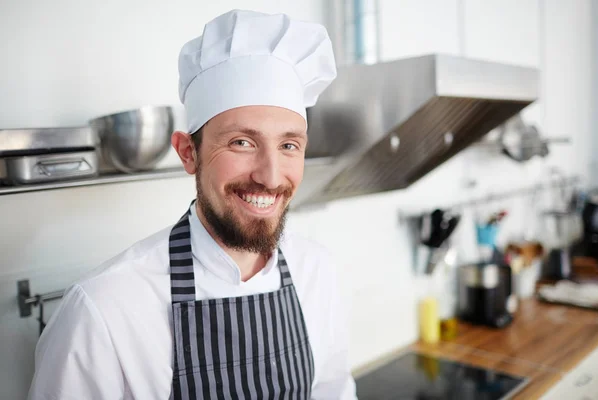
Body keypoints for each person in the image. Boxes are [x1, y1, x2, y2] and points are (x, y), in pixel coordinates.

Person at [28, 9, 357, 400]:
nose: (270, 176)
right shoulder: (102, 312)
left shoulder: (316, 272)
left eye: (289, 145)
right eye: (242, 142)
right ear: (188, 153)